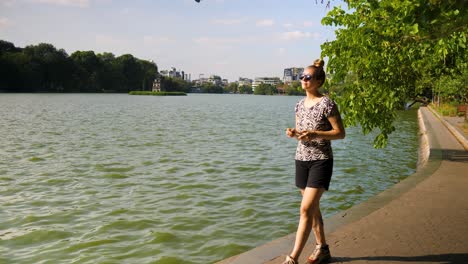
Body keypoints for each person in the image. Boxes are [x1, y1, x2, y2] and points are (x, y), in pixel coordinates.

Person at [283, 59, 345, 264]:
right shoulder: (299, 105)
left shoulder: (327, 103)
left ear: (318, 81)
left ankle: (293, 258)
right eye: (302, 77)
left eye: (308, 77)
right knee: (313, 208)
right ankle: (323, 249)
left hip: (321, 160)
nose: (303, 80)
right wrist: (294, 133)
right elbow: (302, 132)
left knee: (305, 209)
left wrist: (316, 134)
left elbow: (340, 133)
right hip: (301, 159)